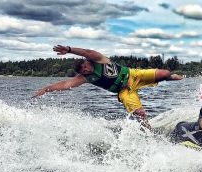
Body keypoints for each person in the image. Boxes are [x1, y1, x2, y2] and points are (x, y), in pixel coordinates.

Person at [33, 45, 182, 127]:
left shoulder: (99, 59)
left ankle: (168, 78)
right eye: (83, 70)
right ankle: (150, 133)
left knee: (165, 73)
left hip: (133, 74)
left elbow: (87, 51)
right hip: (124, 91)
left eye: (85, 66)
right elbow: (66, 84)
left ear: (87, 62)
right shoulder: (86, 78)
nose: (86, 70)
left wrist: (70, 50)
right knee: (140, 114)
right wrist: (47, 89)